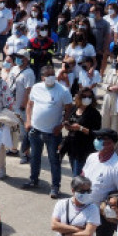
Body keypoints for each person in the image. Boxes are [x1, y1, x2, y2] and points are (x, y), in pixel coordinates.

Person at [22, 66, 73, 197]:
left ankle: (55, 186)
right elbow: (29, 104)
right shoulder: (36, 88)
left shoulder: (63, 90)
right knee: (35, 157)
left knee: (54, 160)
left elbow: (69, 109)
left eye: (52, 74)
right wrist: (28, 121)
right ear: (42, 77)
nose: (51, 77)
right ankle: (34, 180)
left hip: (53, 133)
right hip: (35, 130)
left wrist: (62, 125)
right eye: (48, 75)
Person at [62, 88, 102, 176]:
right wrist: (68, 126)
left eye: (89, 96)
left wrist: (80, 128)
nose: (87, 98)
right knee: (75, 173)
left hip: (84, 149)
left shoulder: (94, 114)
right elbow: (70, 122)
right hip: (72, 147)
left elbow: (96, 133)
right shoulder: (74, 109)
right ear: (79, 97)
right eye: (84, 96)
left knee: (78, 176)